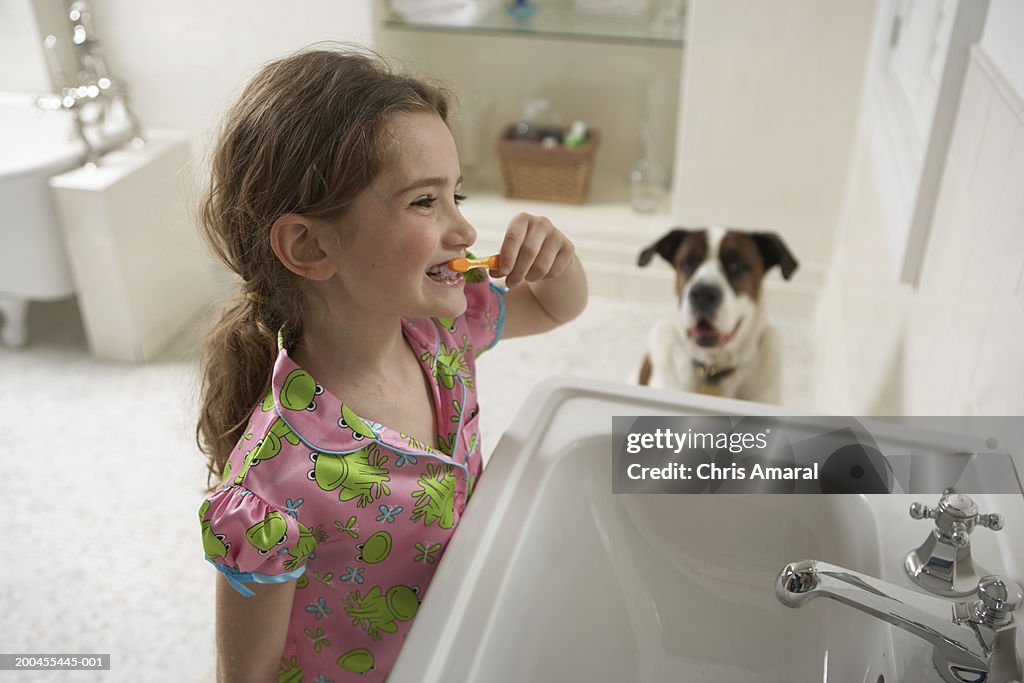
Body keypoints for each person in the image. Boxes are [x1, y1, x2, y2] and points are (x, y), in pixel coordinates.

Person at [195, 46, 587, 682]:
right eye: (424, 202)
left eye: (455, 193)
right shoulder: (274, 489)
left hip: (464, 643)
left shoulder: (443, 326)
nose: (463, 229)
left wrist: (559, 261)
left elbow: (555, 307)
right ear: (310, 245)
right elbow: (245, 676)